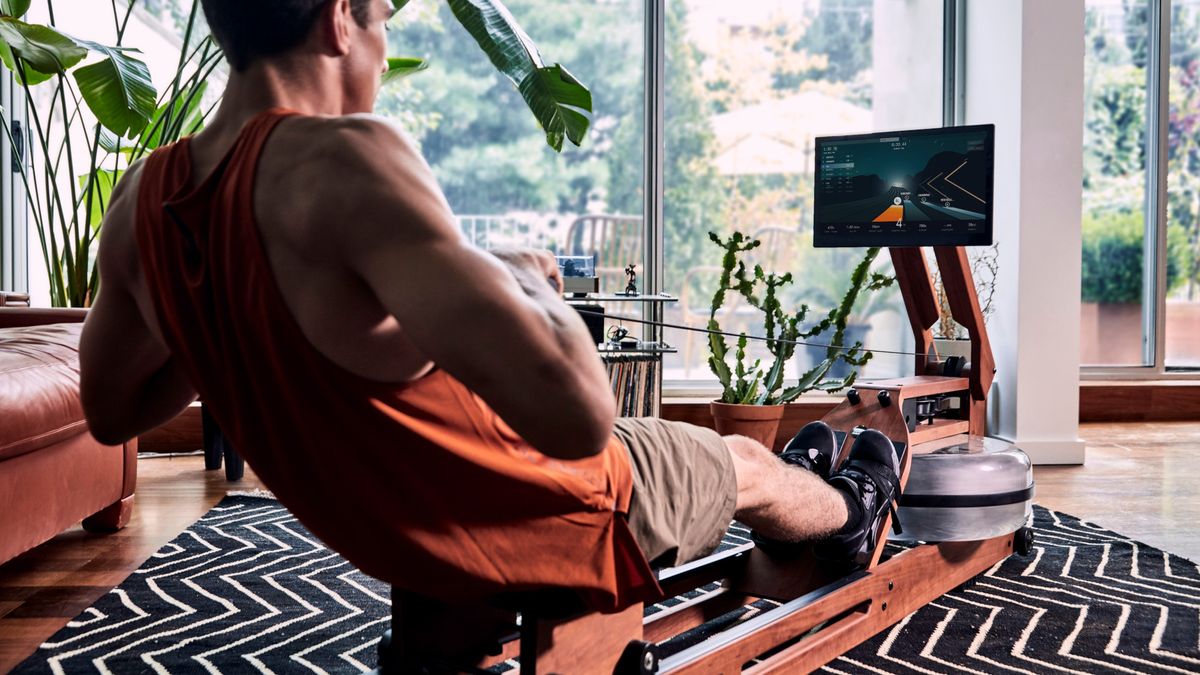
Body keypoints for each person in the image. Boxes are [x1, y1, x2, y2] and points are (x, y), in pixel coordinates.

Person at [78, 0, 901, 612]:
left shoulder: (145, 203)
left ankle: (809, 485)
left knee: (722, 458)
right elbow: (580, 417)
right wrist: (524, 280)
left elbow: (113, 410)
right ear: (339, 23)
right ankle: (849, 513)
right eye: (384, 23)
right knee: (737, 463)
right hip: (538, 509)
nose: (384, 42)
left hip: (391, 527)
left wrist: (216, 315)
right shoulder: (345, 162)